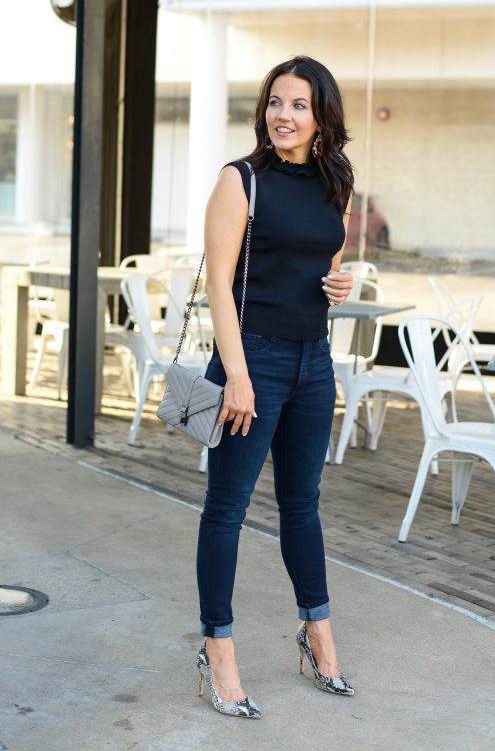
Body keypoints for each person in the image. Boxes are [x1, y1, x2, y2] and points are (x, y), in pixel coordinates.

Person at [196, 55, 356, 718]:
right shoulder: (240, 180)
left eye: (297, 105)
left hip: (312, 361)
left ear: (321, 116)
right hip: (250, 360)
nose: (281, 115)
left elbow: (329, 261)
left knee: (303, 504)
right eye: (273, 102)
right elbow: (218, 286)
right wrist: (236, 374)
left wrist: (340, 285)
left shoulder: (334, 180)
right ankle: (217, 650)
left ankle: (316, 630)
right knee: (227, 509)